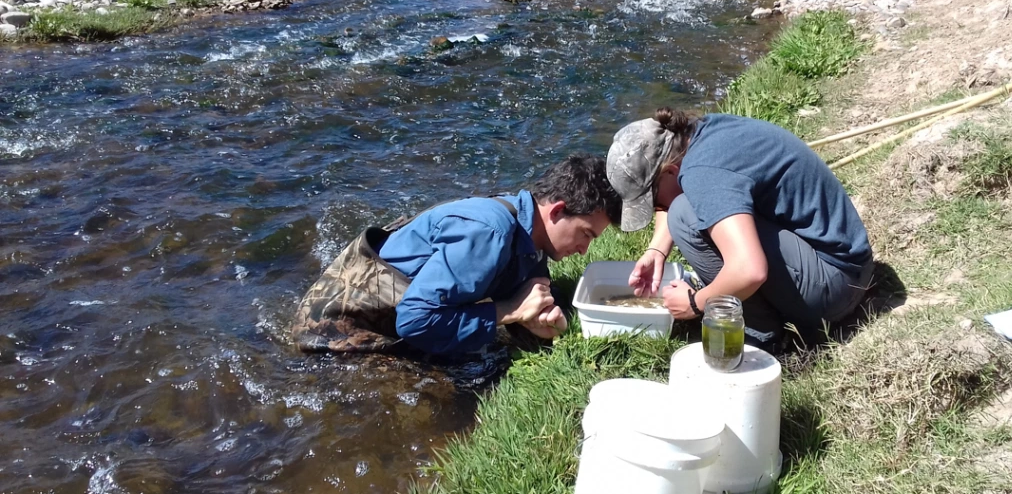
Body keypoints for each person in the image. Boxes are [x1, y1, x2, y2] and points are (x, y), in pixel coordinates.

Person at [293, 154, 621, 356]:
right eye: (585, 235)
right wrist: (508, 311)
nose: (584, 250)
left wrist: (540, 320)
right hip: (332, 330)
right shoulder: (489, 233)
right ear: (558, 210)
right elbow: (415, 320)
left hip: (395, 311)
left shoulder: (529, 228)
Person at [605, 107, 874, 348]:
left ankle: (761, 335)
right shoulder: (701, 134)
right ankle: (762, 313)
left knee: (683, 215)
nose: (656, 210)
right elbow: (674, 196)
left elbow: (750, 270)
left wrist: (695, 303)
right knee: (681, 211)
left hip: (836, 286)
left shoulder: (703, 173)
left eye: (653, 201)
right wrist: (657, 250)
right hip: (847, 264)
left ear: (670, 171)